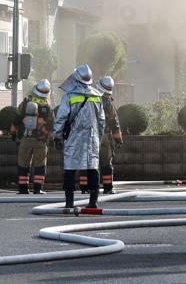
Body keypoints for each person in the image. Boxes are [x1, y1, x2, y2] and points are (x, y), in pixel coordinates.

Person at [53, 64, 106, 214]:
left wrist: (57, 136)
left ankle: (69, 203)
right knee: (92, 169)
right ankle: (93, 202)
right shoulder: (97, 96)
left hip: (73, 137)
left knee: (70, 169)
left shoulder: (69, 96)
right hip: (92, 137)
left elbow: (61, 118)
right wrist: (98, 138)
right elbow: (101, 121)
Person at [9, 78, 54, 194]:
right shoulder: (47, 107)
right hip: (41, 140)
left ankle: (23, 189)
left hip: (25, 139)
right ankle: (38, 189)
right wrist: (51, 138)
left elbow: (16, 120)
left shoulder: (25, 104)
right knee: (40, 165)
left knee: (23, 164)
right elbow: (52, 125)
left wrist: (13, 134)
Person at [97, 75, 123, 194]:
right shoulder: (109, 106)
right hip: (105, 137)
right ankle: (108, 188)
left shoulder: (92, 100)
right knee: (106, 162)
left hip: (91, 135)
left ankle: (87, 188)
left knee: (91, 162)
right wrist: (118, 140)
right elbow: (114, 124)